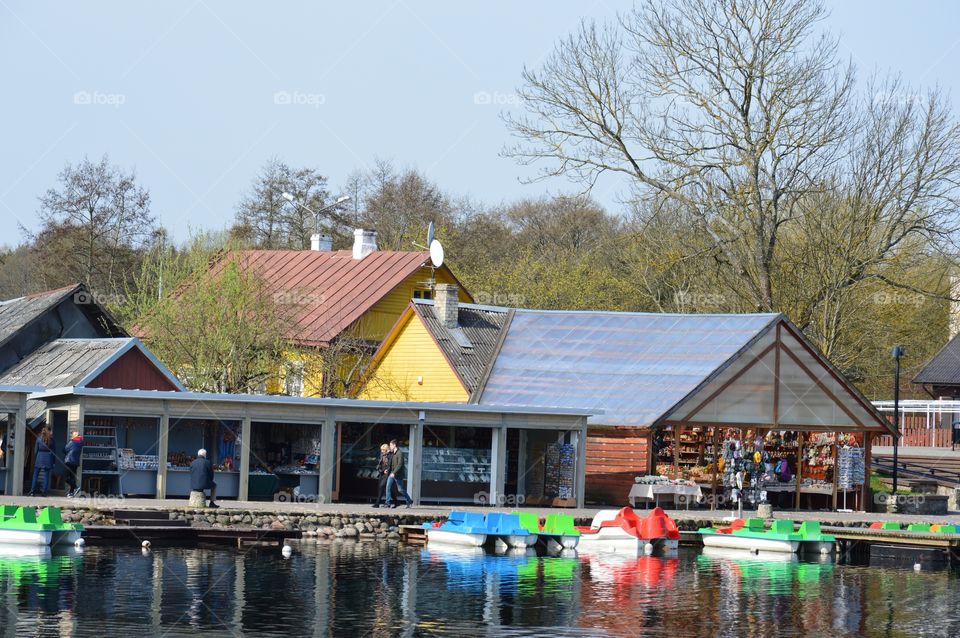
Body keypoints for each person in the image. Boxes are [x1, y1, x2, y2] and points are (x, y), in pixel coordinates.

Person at [385, 439, 413, 509]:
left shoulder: (400, 453)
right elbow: (390, 463)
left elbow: (400, 464)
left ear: (394, 445)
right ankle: (387, 503)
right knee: (388, 487)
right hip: (391, 473)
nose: (390, 446)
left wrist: (394, 472)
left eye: (391, 445)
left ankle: (409, 500)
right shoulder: (392, 453)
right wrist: (388, 470)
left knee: (400, 490)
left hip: (398, 474)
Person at [29, 427, 55, 497]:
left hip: (39, 458)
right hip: (48, 458)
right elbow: (54, 452)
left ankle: (32, 491)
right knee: (46, 476)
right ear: (49, 431)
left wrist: (36, 458)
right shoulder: (51, 440)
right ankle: (43, 492)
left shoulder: (38, 438)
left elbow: (35, 451)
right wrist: (53, 462)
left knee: (35, 475)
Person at [63, 430, 84, 497]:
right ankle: (71, 493)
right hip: (76, 462)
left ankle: (76, 487)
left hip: (69, 461)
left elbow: (64, 449)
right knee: (72, 477)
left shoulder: (72, 442)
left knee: (66, 477)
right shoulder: (80, 442)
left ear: (74, 436)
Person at [372, 443, 392, 508]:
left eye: (383, 450)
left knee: (381, 487)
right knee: (382, 487)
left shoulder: (389, 455)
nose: (382, 451)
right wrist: (380, 469)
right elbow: (380, 464)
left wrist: (387, 470)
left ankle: (377, 503)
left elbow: (391, 464)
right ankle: (396, 502)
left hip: (387, 473)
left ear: (386, 450)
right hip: (382, 473)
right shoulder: (382, 455)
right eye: (381, 450)